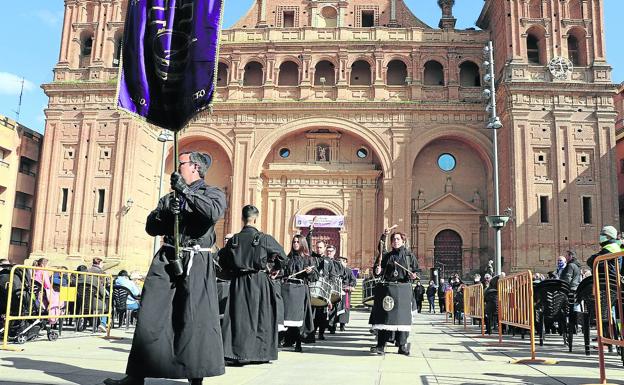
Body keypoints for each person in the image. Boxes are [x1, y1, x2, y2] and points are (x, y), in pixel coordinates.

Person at [104, 151, 226, 385]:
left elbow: (212, 212)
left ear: (194, 167)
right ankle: (136, 375)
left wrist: (187, 192)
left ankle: (196, 377)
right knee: (150, 314)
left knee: (194, 318)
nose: (177, 168)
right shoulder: (170, 197)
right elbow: (151, 226)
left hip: (195, 261)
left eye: (181, 164)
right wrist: (167, 213)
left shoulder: (213, 192)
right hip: (167, 259)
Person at [219, 205, 286, 365]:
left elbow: (222, 260)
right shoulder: (264, 238)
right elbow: (283, 256)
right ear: (255, 218)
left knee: (238, 317)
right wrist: (275, 269)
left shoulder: (234, 239)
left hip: (238, 282)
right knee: (261, 316)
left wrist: (232, 272)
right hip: (259, 281)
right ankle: (260, 354)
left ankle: (236, 354)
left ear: (243, 218)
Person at [370, 232, 419, 356]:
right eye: (393, 239)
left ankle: (402, 346)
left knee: (402, 319)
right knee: (385, 318)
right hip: (388, 289)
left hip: (403, 290)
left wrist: (414, 275)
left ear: (403, 241)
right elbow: (378, 272)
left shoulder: (409, 256)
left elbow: (416, 271)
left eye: (398, 239)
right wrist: (377, 270)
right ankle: (381, 345)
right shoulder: (387, 256)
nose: (395, 241)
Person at [281, 235, 317, 352]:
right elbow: (283, 273)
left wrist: (310, 272)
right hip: (288, 290)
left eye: (297, 242)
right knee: (287, 317)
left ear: (302, 243)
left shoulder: (308, 259)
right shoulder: (288, 258)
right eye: (294, 242)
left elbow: (315, 277)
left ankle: (298, 342)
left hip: (301, 290)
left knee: (298, 317)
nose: (295, 244)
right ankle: (288, 340)